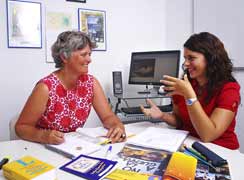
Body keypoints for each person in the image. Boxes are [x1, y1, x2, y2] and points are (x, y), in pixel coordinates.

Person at [15, 31, 126, 144]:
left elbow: (107, 116)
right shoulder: (45, 88)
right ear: (64, 57)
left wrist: (117, 125)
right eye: (83, 55)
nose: (89, 59)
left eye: (89, 54)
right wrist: (43, 136)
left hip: (72, 146)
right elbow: (21, 128)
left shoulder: (91, 83)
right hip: (44, 147)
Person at [141, 32, 240, 150]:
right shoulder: (186, 84)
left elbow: (208, 135)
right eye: (185, 58)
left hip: (220, 150)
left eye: (191, 58)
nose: (186, 64)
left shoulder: (229, 89)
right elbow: (180, 122)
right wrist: (162, 116)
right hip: (190, 146)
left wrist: (189, 95)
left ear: (211, 59)